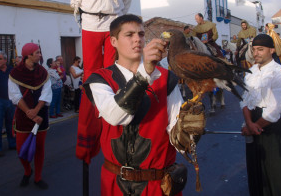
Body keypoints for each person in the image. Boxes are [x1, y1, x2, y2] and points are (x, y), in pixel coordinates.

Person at [82, 14, 204, 195]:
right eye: (129, 35)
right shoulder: (100, 79)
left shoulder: (166, 78)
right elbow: (116, 116)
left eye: (140, 34)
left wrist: (191, 131)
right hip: (116, 184)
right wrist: (144, 72)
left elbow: (179, 140)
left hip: (159, 184)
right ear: (113, 41)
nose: (137, 39)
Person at [71, 0, 133, 162]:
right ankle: (88, 133)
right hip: (89, 23)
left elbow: (126, 0)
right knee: (90, 76)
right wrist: (78, 14)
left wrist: (119, 21)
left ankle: (111, 126)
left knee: (112, 76)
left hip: (112, 25)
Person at [240, 34, 281, 196]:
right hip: (253, 126)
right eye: (254, 49)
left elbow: (274, 109)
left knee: (279, 177)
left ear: (271, 50)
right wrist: (248, 123)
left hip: (273, 129)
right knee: (257, 174)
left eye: (261, 49)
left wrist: (254, 126)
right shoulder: (250, 72)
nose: (256, 53)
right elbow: (245, 100)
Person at [8, 43, 52, 189]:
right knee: (21, 150)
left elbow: (46, 93)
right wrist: (29, 113)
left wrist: (36, 111)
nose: (40, 55)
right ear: (29, 55)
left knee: (39, 148)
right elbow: (15, 95)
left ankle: (38, 177)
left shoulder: (43, 72)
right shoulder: (15, 73)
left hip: (41, 115)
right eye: (37, 52)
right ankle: (28, 171)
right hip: (23, 116)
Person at [0, 51, 16, 157]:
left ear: (5, 60)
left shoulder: (12, 70)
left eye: (0, 59)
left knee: (11, 124)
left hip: (11, 100)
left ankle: (12, 143)